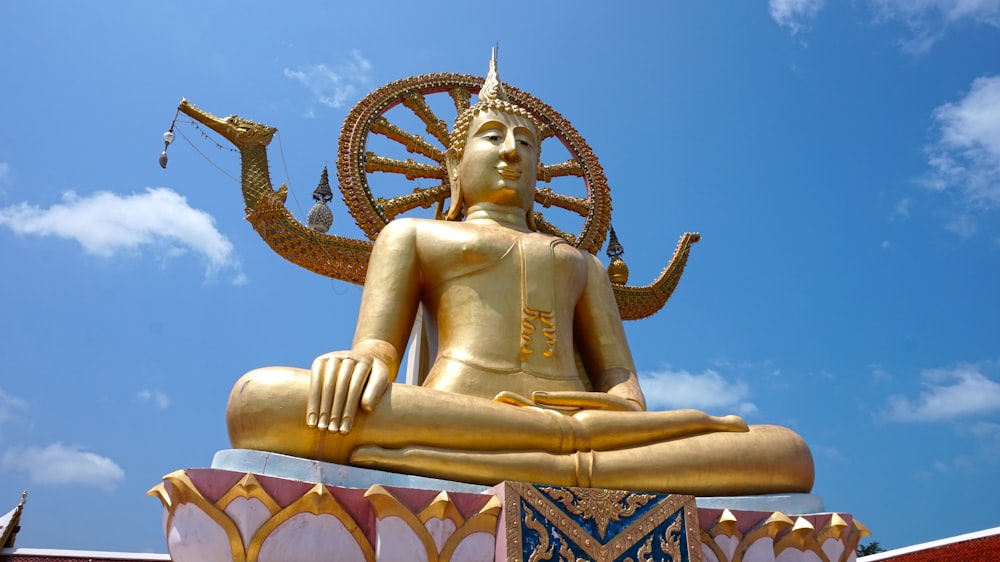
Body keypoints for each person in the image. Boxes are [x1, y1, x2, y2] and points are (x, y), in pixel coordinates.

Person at [226, 55, 814, 495]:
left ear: (541, 169)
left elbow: (623, 386)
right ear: (455, 163)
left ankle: (542, 457)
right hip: (456, 413)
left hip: (577, 421)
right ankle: (569, 461)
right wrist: (355, 365)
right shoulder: (413, 235)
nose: (511, 152)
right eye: (492, 137)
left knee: (789, 453)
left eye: (527, 143)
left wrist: (617, 411)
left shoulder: (582, 264)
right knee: (263, 402)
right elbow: (379, 351)